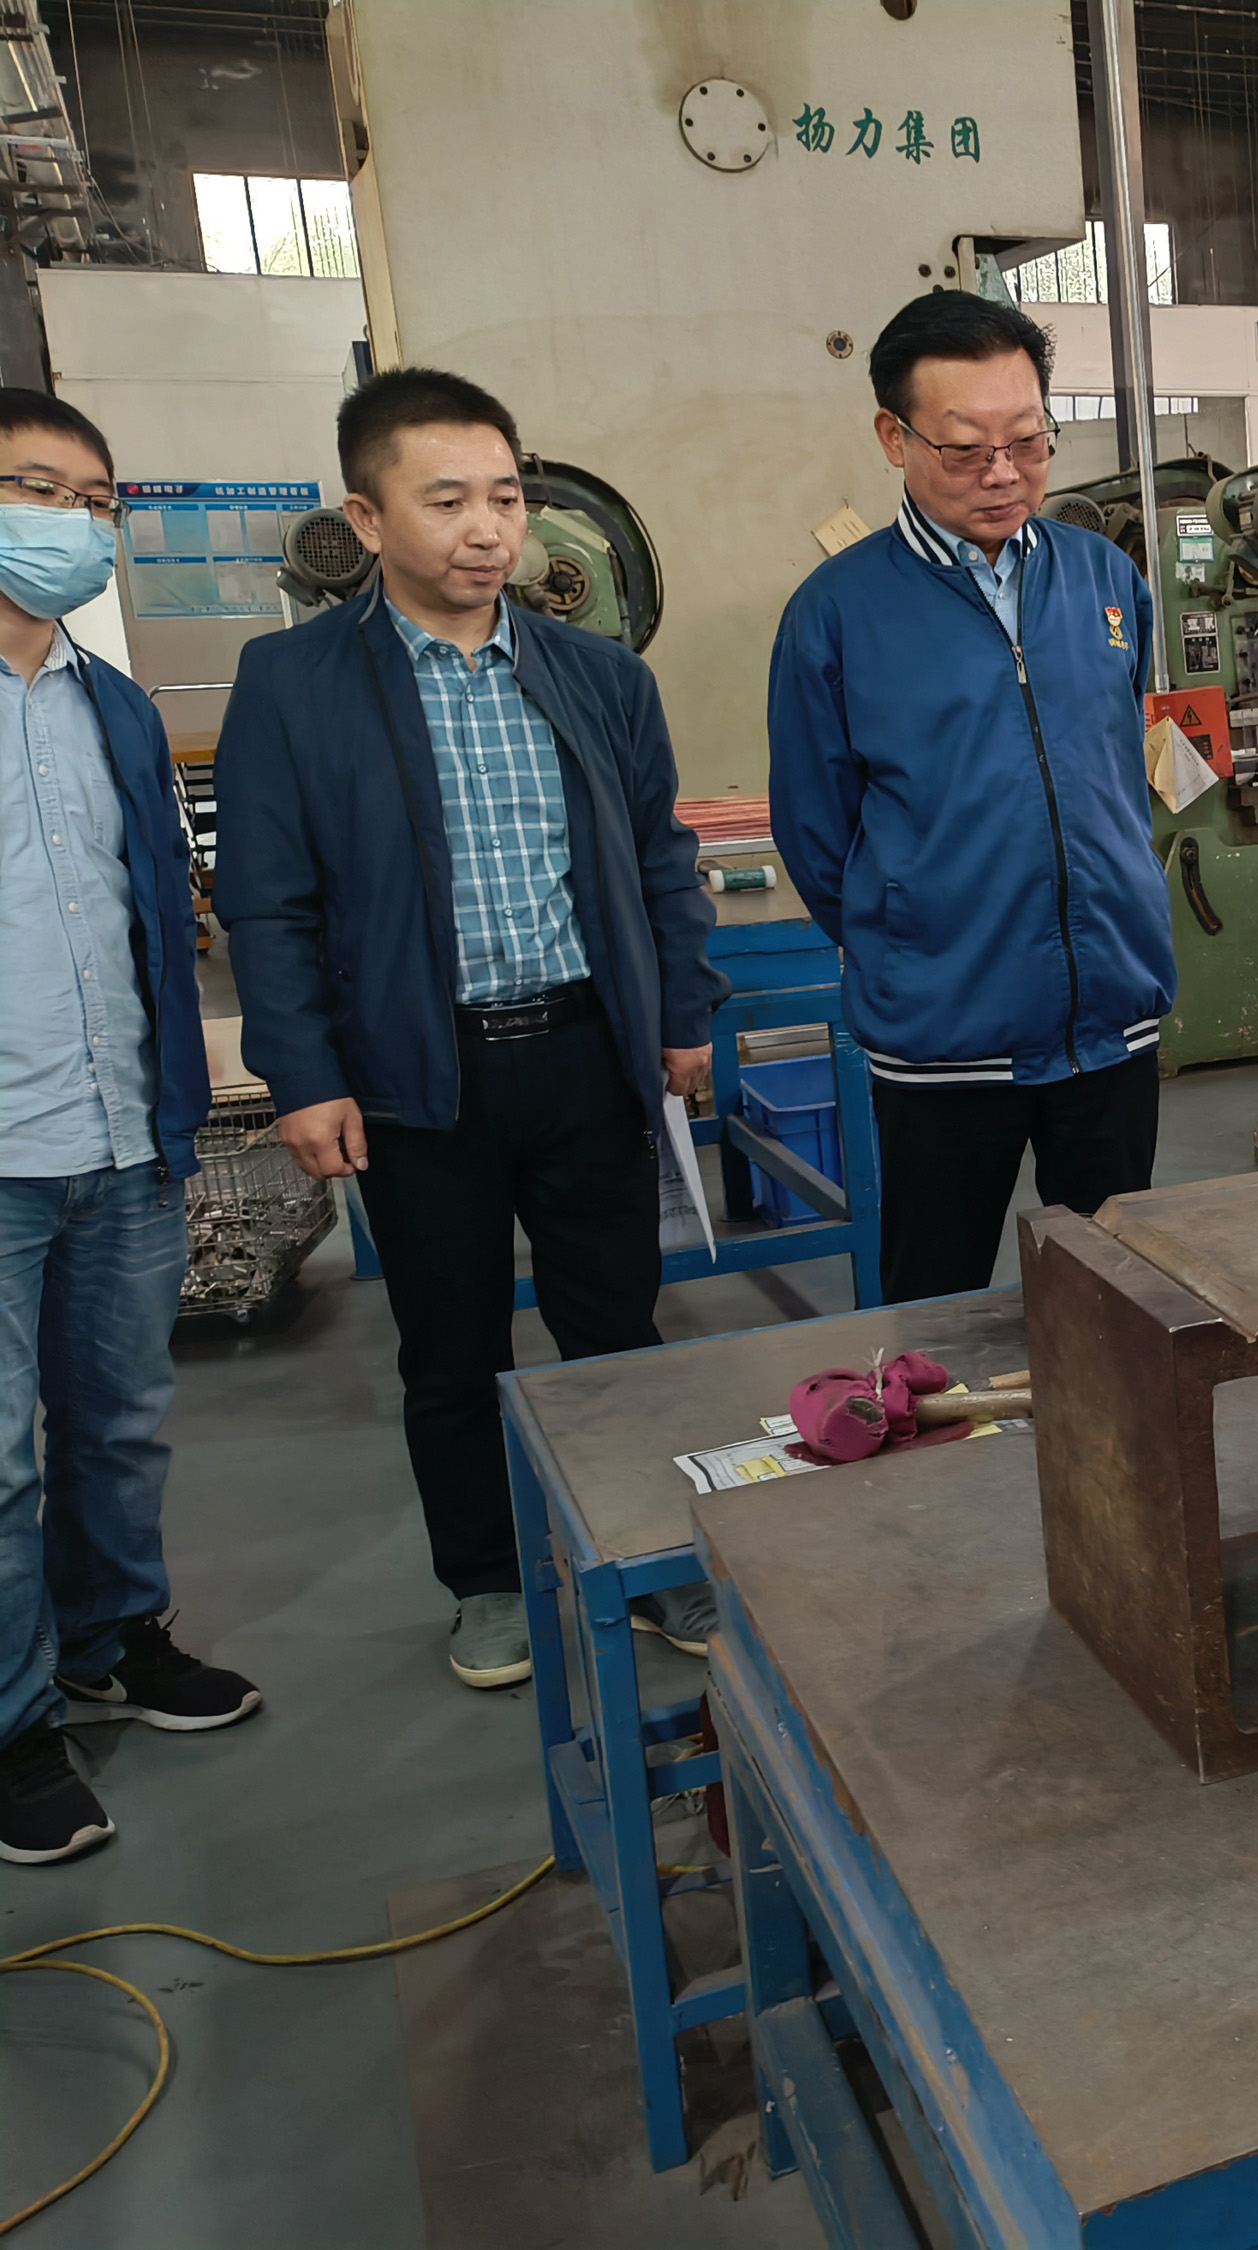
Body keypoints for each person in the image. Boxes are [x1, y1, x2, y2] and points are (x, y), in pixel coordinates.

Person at [218, 368, 727, 1690]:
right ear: (366, 518)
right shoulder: (293, 683)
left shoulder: (598, 674)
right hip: (414, 1078)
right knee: (450, 1348)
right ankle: (489, 1580)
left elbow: (660, 859)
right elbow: (267, 902)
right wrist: (303, 1074)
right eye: (446, 501)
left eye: (504, 497)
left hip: (585, 1054)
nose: (488, 529)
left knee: (616, 1326)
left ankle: (649, 1551)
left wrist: (680, 1011)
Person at [769, 291, 1173, 1305]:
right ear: (893, 438)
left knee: (1118, 1305)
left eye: (1029, 442)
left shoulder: (1106, 579)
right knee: (933, 1311)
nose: (1003, 473)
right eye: (965, 449)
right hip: (944, 1037)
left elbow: (1117, 769)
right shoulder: (838, 613)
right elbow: (815, 831)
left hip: (1110, 1021)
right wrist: (912, 935)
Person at [0, 391, 254, 1868]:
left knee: (118, 1423)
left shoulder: (113, 706)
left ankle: (111, 1640)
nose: (76, 524)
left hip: (119, 1133)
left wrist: (171, 1102)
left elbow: (154, 911)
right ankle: (13, 1726)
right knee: (1, 1466)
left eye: (97, 501)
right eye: (40, 489)